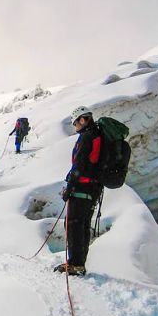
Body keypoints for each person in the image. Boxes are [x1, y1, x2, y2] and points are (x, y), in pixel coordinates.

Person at [55, 106, 102, 276]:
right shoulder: (98, 135)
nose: (75, 127)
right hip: (93, 189)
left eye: (76, 123)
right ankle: (79, 263)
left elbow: (79, 164)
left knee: (73, 224)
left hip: (82, 187)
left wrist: (70, 187)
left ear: (82, 120)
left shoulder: (87, 137)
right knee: (82, 225)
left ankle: (75, 264)